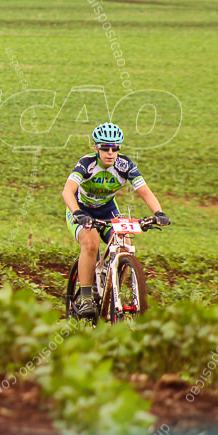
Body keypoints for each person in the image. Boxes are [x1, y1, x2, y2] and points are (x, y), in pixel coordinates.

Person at [61, 122, 170, 320]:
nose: (110, 153)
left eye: (115, 148)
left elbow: (144, 190)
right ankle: (86, 298)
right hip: (81, 210)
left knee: (125, 246)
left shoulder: (125, 165)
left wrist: (158, 212)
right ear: (96, 148)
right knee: (91, 243)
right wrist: (77, 212)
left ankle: (113, 291)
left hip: (108, 211)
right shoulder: (86, 164)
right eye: (105, 148)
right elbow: (67, 191)